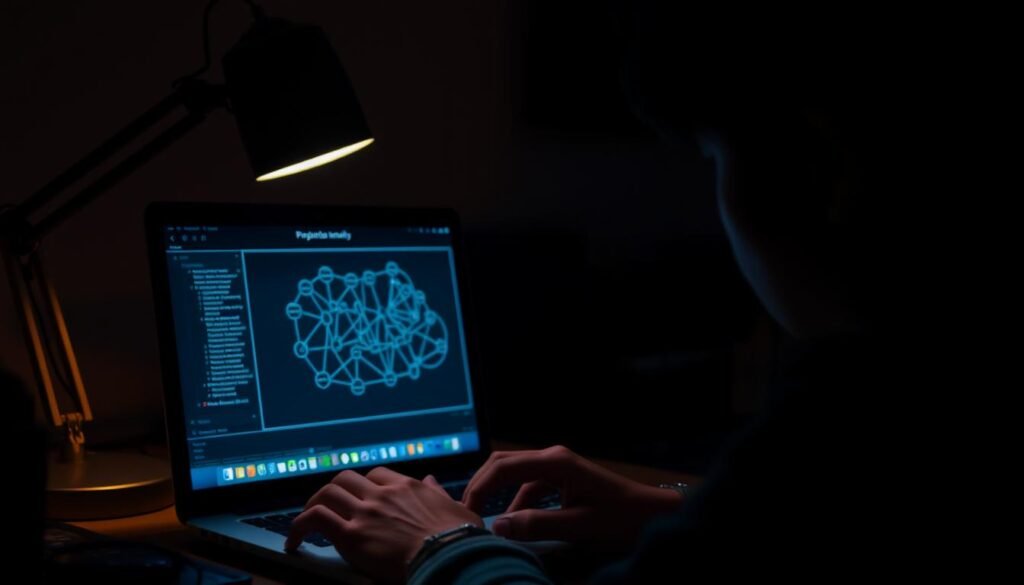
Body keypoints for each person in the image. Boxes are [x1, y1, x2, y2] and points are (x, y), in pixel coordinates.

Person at [286, 4, 922, 583]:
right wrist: (673, 512)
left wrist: (442, 546)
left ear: (821, 171)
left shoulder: (841, 415)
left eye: (718, 158)